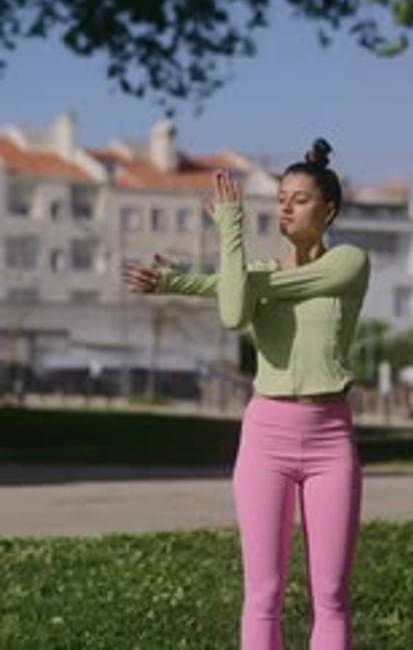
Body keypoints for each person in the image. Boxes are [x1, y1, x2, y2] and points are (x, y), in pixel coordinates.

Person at [123, 138, 370, 650]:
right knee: (263, 594)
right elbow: (234, 310)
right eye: (280, 197)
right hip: (265, 439)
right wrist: (218, 245)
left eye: (299, 199)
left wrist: (211, 281)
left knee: (331, 595)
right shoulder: (253, 277)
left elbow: (252, 290)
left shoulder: (349, 263)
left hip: (329, 439)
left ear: (329, 209)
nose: (284, 206)